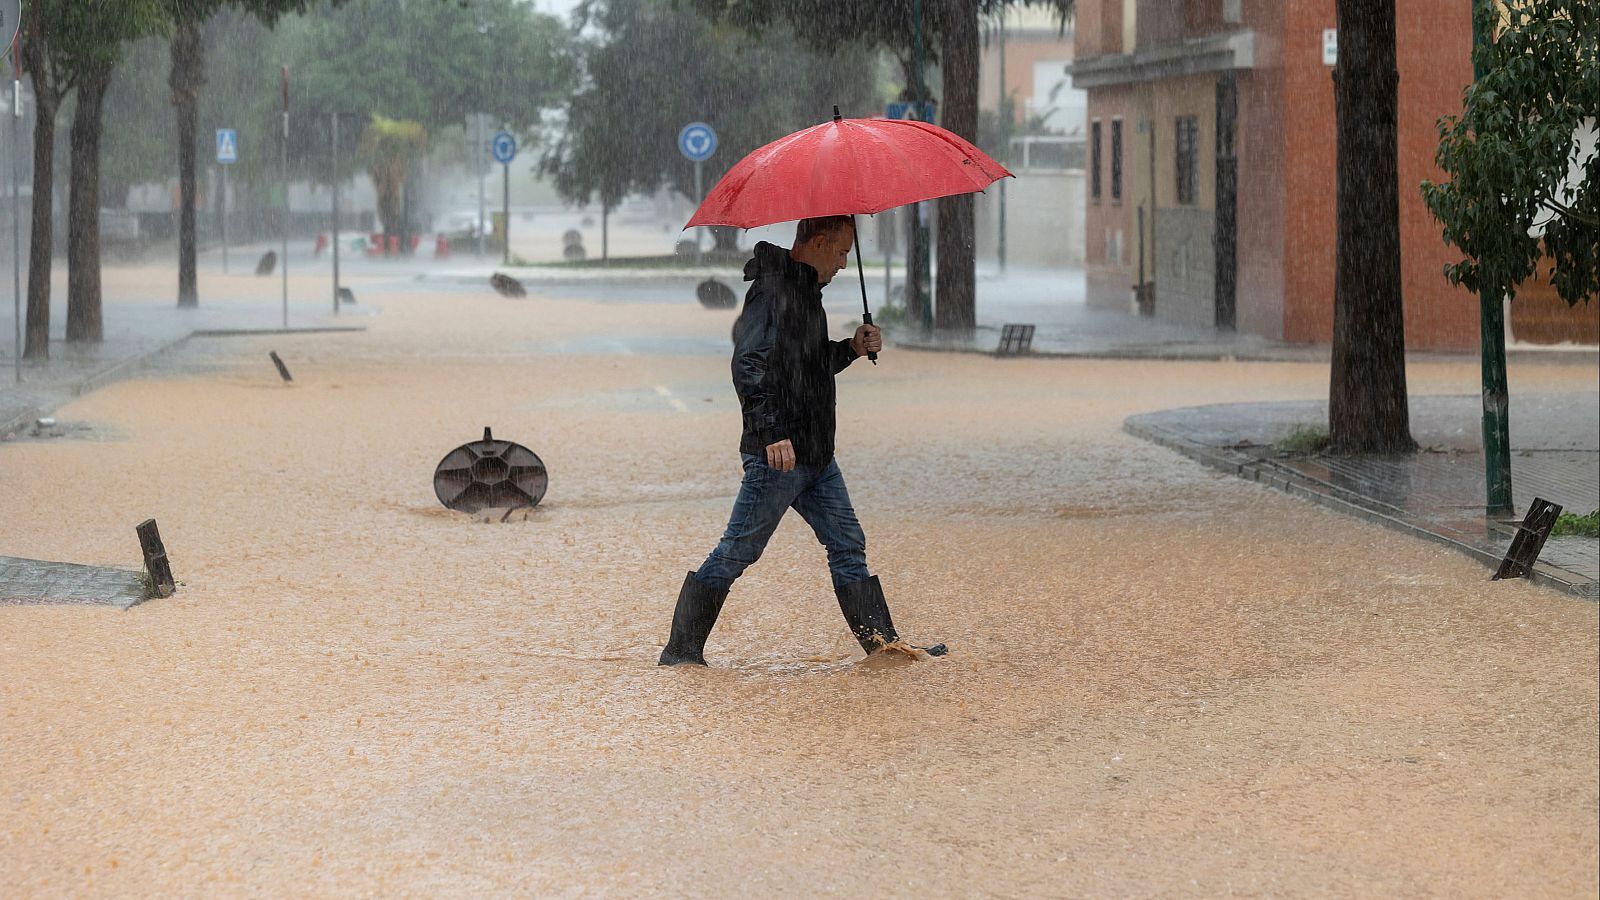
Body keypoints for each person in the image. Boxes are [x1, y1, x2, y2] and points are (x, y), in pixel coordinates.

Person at [659, 215, 943, 666]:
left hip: (816, 455)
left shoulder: (807, 292)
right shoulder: (772, 293)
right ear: (818, 241)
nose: (845, 264)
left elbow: (806, 368)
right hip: (780, 456)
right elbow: (747, 365)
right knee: (738, 550)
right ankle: (680, 653)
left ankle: (885, 649)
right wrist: (771, 432)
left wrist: (849, 348)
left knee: (848, 544)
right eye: (842, 252)